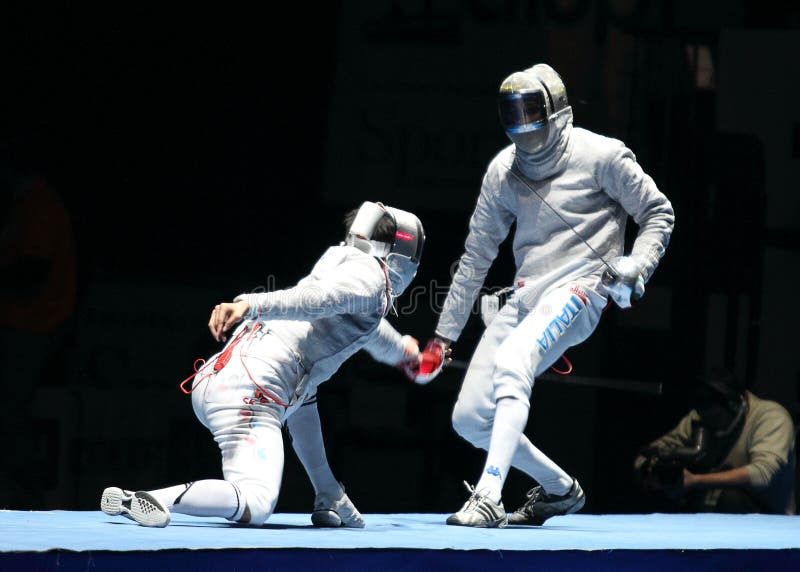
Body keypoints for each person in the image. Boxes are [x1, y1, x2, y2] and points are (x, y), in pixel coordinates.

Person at [406, 63, 675, 527]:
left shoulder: (603, 156)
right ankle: (560, 488)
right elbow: (475, 258)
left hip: (583, 289)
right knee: (469, 419)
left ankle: (489, 495)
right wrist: (443, 337)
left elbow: (658, 212)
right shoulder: (503, 172)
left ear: (558, 109)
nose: (523, 121)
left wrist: (637, 265)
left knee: (514, 362)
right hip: (527, 297)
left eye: (532, 109)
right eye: (513, 111)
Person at [100, 201, 425, 527]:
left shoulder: (343, 260)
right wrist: (250, 304)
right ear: (402, 253)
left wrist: (405, 353)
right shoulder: (367, 278)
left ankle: (328, 491)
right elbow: (316, 302)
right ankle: (149, 499)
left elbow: (366, 327)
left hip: (225, 376)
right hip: (253, 390)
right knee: (256, 501)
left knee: (303, 395)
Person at [633, 369, 796, 515]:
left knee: (731, 500)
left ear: (733, 406)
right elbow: (655, 449)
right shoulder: (698, 419)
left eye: (715, 418)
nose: (708, 423)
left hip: (764, 518)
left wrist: (696, 481)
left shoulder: (770, 417)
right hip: (708, 513)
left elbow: (762, 475)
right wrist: (656, 473)